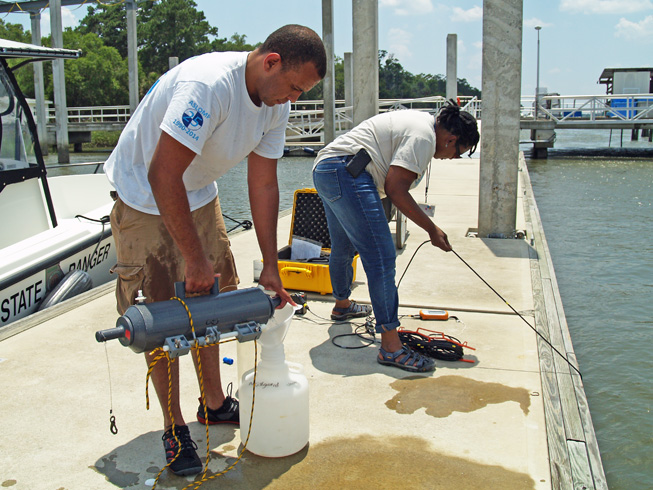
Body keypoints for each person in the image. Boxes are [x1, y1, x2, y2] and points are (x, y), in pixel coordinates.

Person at [105, 25, 326, 476]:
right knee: (161, 315)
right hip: (145, 196)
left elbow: (263, 183)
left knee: (217, 301)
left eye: (302, 92)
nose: (294, 100)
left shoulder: (274, 101)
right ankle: (174, 427)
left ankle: (214, 402)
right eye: (294, 87)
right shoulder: (208, 86)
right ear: (271, 62)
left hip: (200, 194)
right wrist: (194, 257)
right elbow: (162, 174)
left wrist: (270, 264)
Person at [312, 102, 479, 373]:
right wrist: (431, 229)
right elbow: (396, 189)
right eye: (457, 153)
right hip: (347, 172)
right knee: (382, 257)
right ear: (451, 139)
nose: (452, 158)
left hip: (327, 169)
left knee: (343, 246)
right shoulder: (424, 137)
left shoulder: (420, 124)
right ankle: (391, 346)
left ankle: (342, 305)